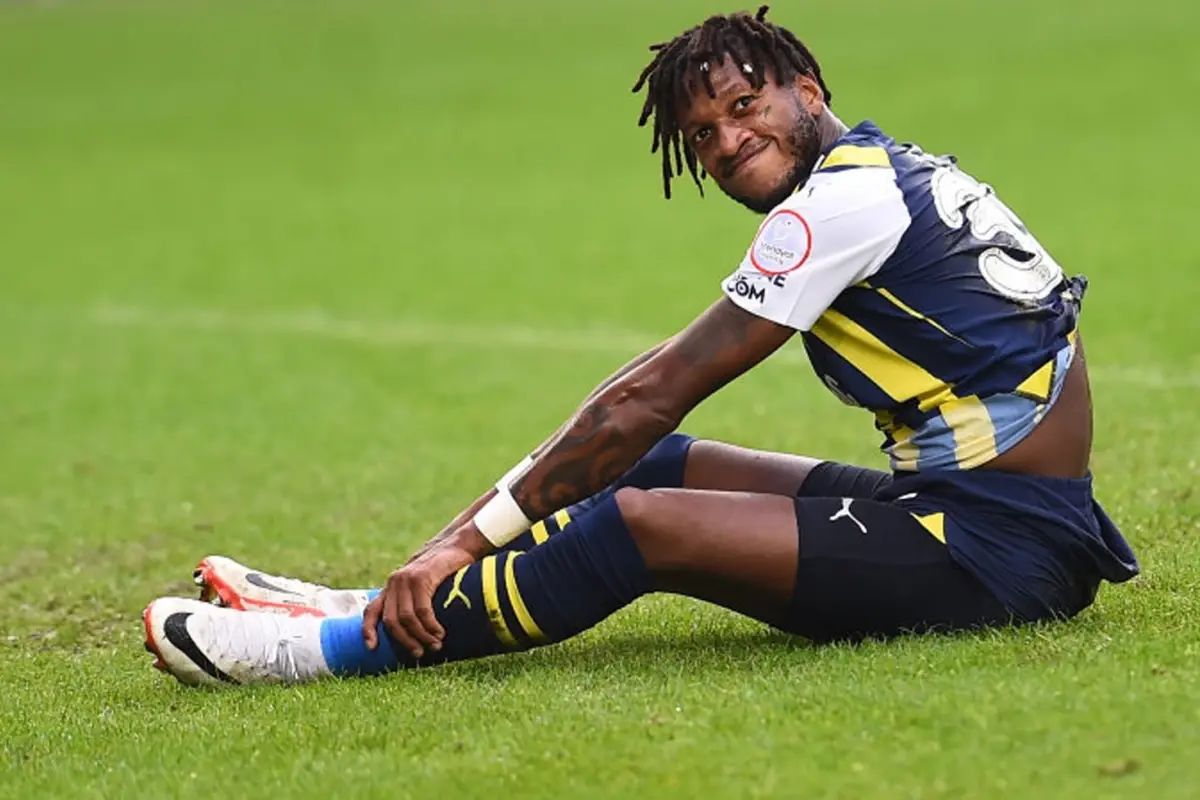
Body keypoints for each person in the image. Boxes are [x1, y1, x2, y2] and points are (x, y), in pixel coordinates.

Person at [143, 5, 1138, 686]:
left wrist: (463, 539)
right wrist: (448, 540)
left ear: (807, 88)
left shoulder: (834, 210)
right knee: (653, 463)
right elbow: (641, 396)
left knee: (640, 523)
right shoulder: (879, 171)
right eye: (701, 133)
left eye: (743, 108)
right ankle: (373, 600)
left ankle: (325, 650)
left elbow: (651, 394)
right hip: (990, 509)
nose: (726, 142)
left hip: (996, 548)